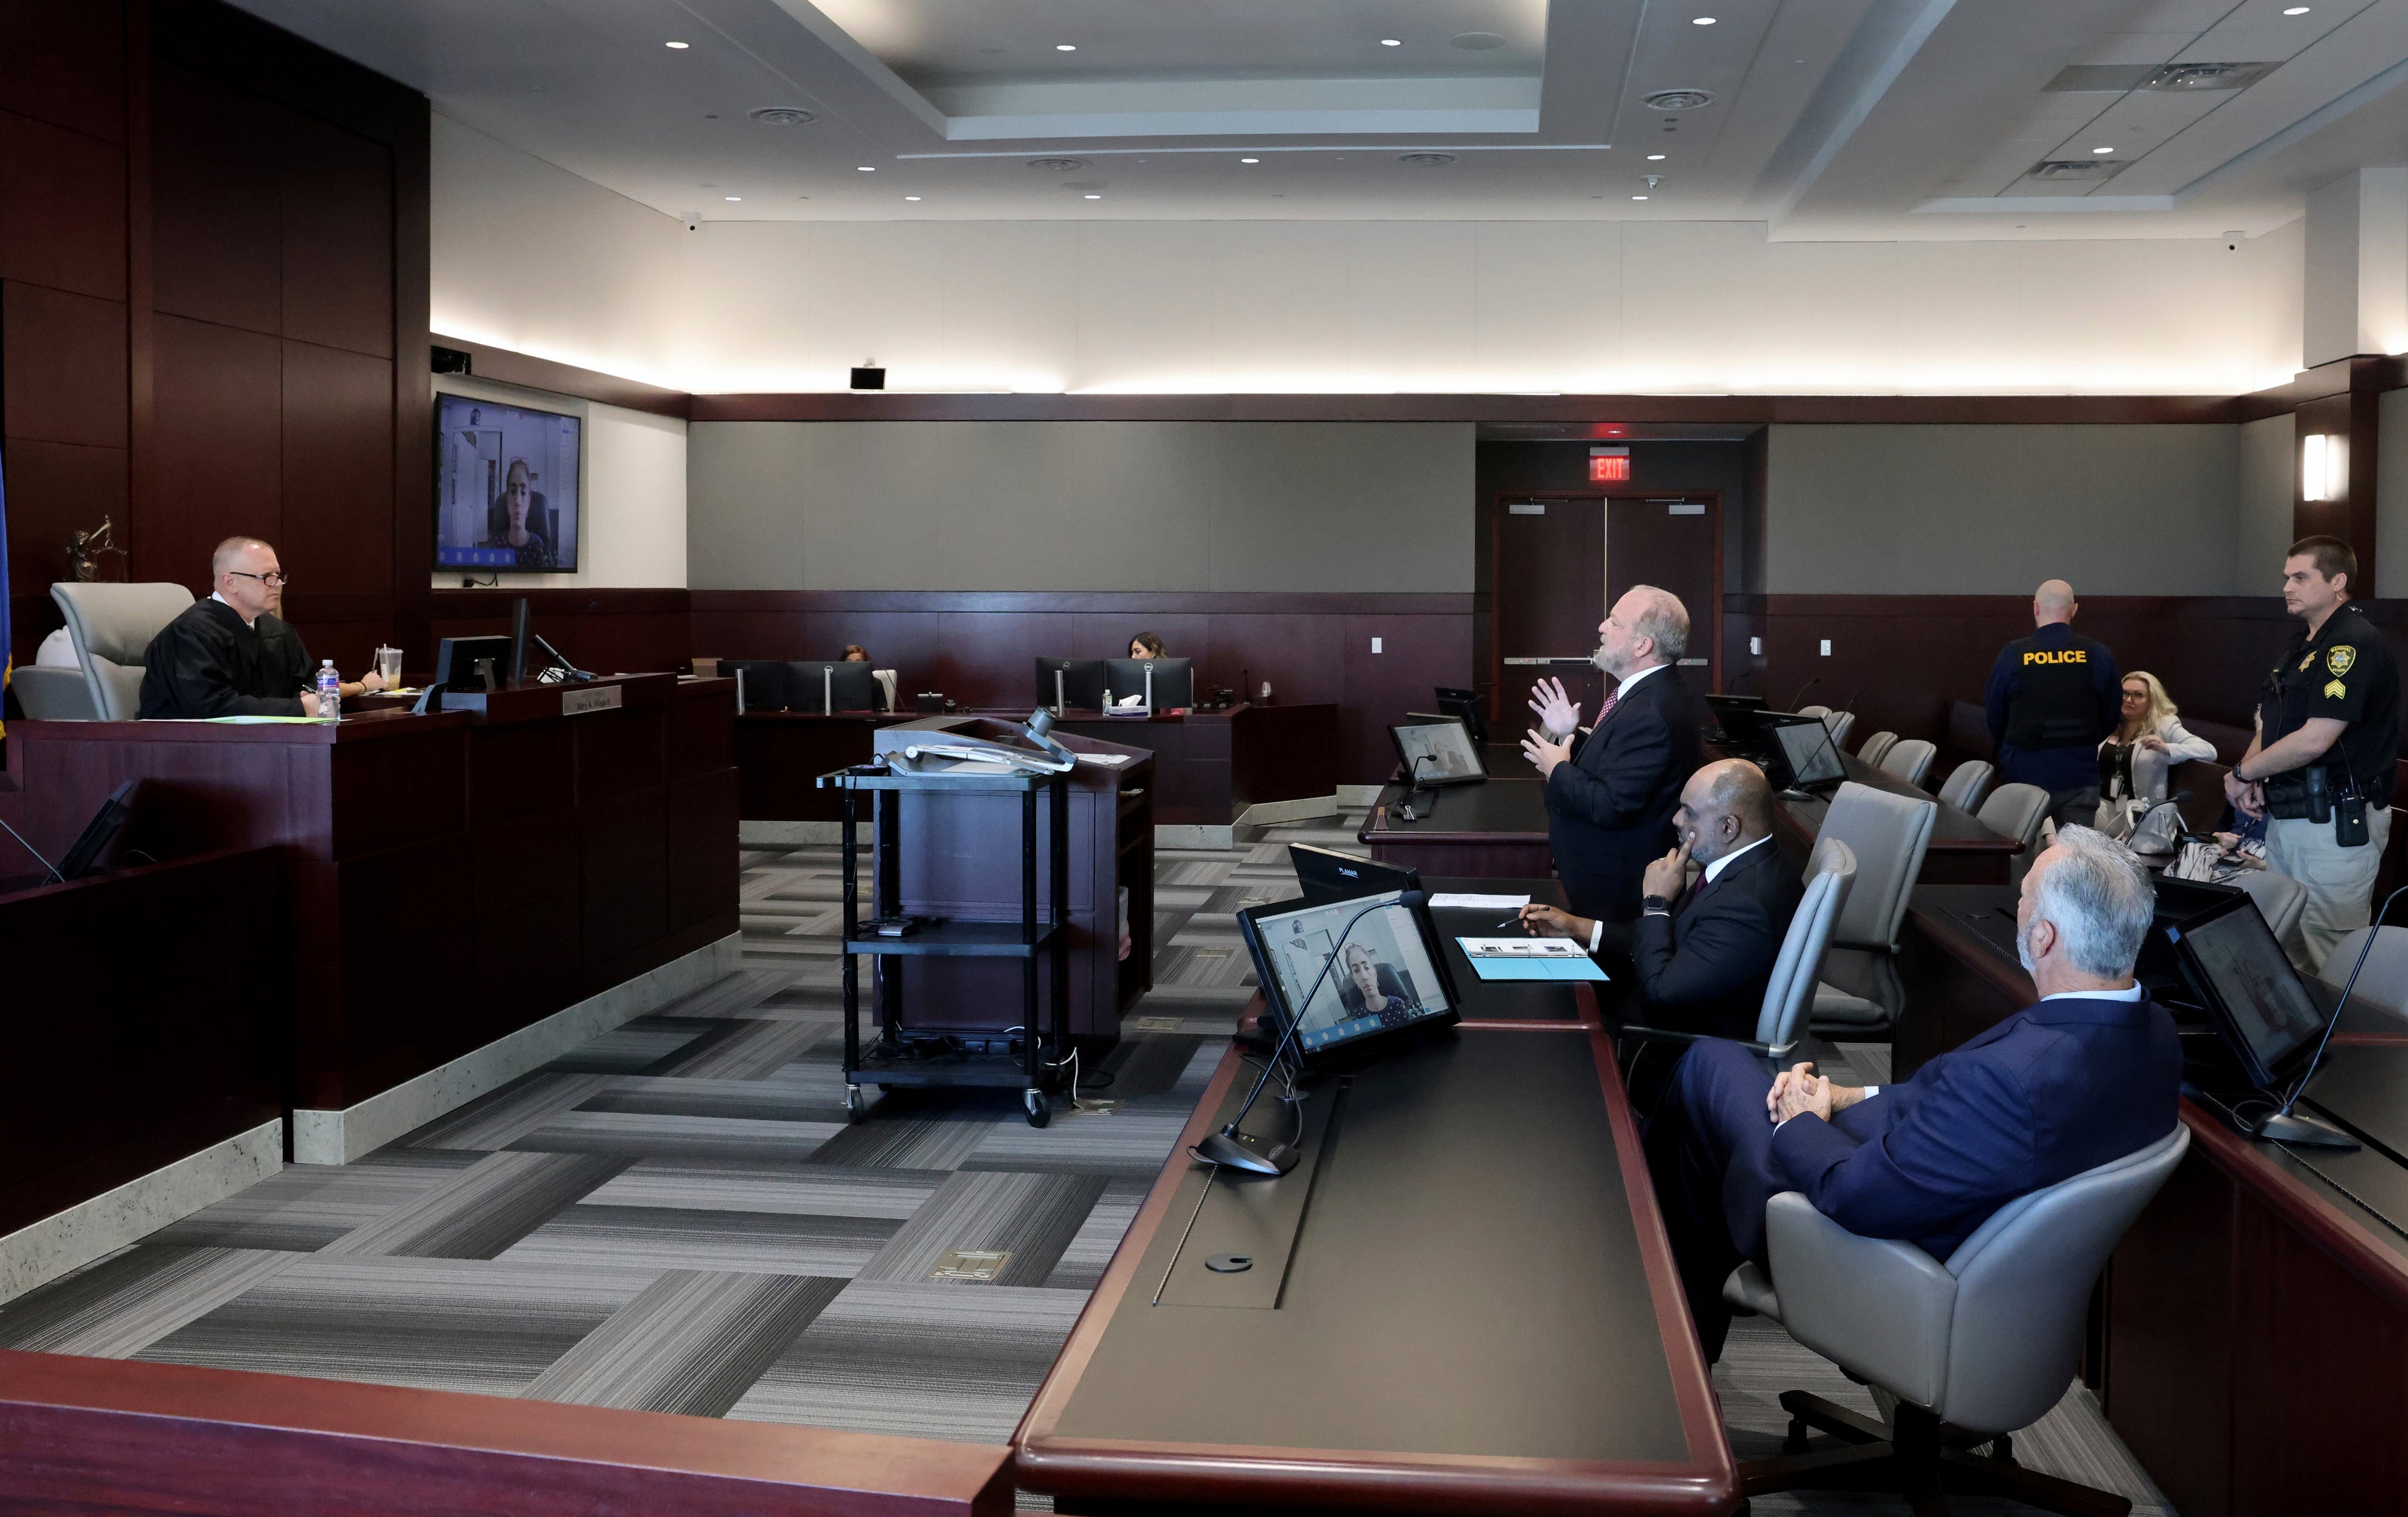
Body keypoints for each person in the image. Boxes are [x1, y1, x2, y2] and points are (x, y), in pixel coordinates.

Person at [1643, 826, 2180, 1361]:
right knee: (1702, 1132)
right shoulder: (2153, 1032)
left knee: (1708, 1065)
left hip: (1877, 1251)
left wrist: (1800, 1120)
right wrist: (1848, 1096)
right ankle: (1681, 1325)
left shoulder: (2014, 1080)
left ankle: (1663, 1315)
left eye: (2022, 898)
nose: (2014, 906)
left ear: (2043, 937)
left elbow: (1854, 1196)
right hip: (1943, 1209)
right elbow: (1950, 1108)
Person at [1518, 758, 1802, 1040]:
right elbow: (1669, 943)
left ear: (1729, 827)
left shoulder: (1743, 905)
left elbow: (1661, 996)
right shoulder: (1752, 865)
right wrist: (1577, 927)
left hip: (1668, 1045)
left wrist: (1655, 903)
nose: (1676, 819)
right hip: (1665, 1012)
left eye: (1689, 813)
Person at [2226, 537, 2400, 972]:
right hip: (2290, 817)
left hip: (2334, 824)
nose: (2287, 586)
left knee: (2330, 956)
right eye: (2287, 577)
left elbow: (2316, 738)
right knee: (2286, 948)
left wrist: (2241, 771)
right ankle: (2303, 1041)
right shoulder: (2305, 644)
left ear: (2338, 581)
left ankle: (2340, 1043)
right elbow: (2269, 719)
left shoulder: (2352, 644)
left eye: (2300, 577)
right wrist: (2254, 775)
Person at [1522, 585, 1706, 924]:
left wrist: (1558, 768)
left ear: (1642, 645)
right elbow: (1617, 767)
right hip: (1600, 879)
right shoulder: (1648, 694)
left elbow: (1611, 804)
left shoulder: (1652, 711)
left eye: (1615, 622)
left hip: (1613, 893)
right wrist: (1570, 736)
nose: (1602, 627)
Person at [137, 537, 386, 719]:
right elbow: (209, 707)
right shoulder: (191, 633)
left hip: (268, 746)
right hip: (185, 753)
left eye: (279, 576)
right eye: (267, 577)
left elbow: (308, 688)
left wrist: (320, 698)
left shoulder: (277, 631)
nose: (277, 584)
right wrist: (299, 708)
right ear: (230, 581)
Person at [1985, 579, 2122, 833]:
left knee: (2019, 859)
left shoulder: (2013, 654)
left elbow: (1995, 715)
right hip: (2079, 776)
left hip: (2024, 774)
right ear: (2074, 609)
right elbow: (2112, 714)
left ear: (2035, 608)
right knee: (2078, 862)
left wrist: (2012, 748)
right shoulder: (2097, 654)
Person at [2097, 670, 2216, 827]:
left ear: (2152, 700)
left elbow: (2209, 751)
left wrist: (2167, 748)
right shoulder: (2109, 723)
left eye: (2138, 695)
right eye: (2124, 693)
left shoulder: (2164, 725)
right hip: (2104, 808)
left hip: (2142, 814)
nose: (2128, 700)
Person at [477, 458, 556, 570]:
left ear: (528, 503)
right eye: (513, 492)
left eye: (523, 493)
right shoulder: (497, 545)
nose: (518, 501)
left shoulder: (538, 546)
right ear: (508, 500)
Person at [1336, 942, 1419, 1025]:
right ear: (1354, 979)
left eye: (1367, 968)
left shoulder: (1398, 1004)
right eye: (1357, 970)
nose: (1364, 977)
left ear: (1375, 973)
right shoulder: (1358, 1016)